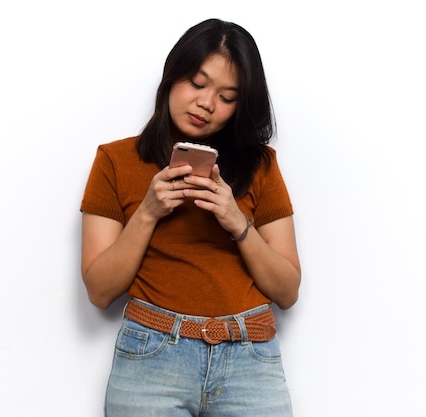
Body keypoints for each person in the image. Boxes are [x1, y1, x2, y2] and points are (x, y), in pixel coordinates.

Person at [80, 18, 301, 417]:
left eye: (228, 96)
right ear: (171, 78)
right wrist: (148, 212)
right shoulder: (115, 161)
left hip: (249, 357)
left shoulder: (262, 167)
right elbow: (99, 292)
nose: (207, 103)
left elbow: (287, 292)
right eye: (197, 84)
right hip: (151, 356)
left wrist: (237, 223)